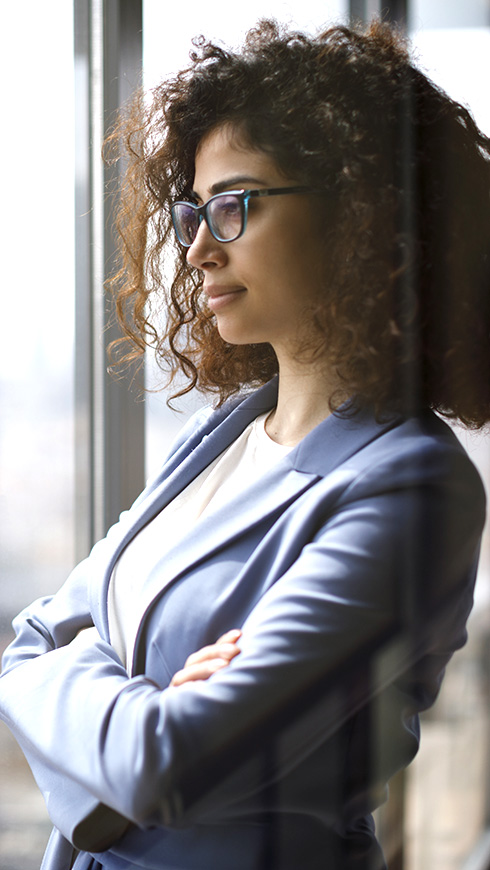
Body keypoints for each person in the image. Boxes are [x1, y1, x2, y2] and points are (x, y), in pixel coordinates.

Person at [1, 18, 490, 870]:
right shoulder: (219, 438)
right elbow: (25, 647)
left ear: (359, 210)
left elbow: (166, 765)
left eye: (233, 205)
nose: (195, 248)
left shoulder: (413, 485)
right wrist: (131, 714)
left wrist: (105, 704)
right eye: (195, 211)